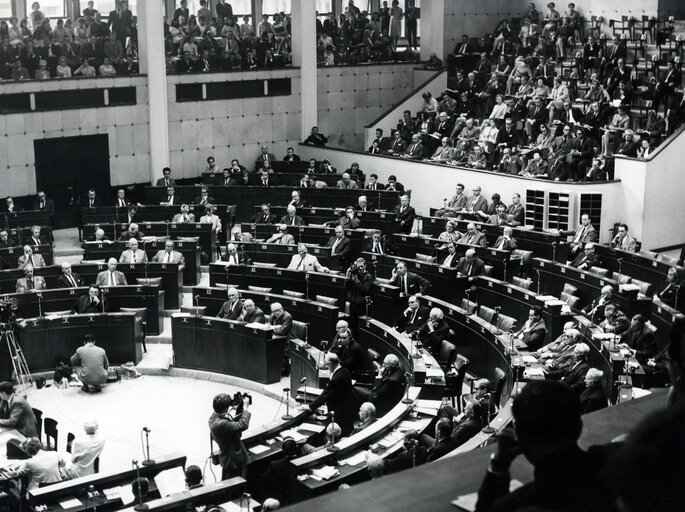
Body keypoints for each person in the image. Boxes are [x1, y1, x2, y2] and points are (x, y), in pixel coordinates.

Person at [475, 380, 608, 512]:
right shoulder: (611, 466)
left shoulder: (516, 505)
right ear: (578, 427)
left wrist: (499, 465)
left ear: (521, 439)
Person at [306, 353, 358, 436]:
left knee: (340, 433)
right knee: (348, 430)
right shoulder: (345, 371)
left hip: (339, 412)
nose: (326, 367)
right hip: (348, 409)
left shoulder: (336, 379)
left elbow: (325, 395)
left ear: (331, 364)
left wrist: (310, 407)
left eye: (326, 365)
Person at [208, 392, 252, 479]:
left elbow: (231, 426)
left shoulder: (213, 418)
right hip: (233, 459)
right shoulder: (222, 423)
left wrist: (239, 409)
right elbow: (243, 425)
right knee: (236, 483)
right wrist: (246, 408)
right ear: (225, 408)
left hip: (226, 457)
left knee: (226, 480)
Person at [345, 258, 374, 326]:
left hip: (361, 305)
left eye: (361, 266)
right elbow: (347, 288)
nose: (360, 268)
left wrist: (357, 281)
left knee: (359, 325)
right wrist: (347, 276)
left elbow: (365, 291)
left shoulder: (368, 277)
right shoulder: (354, 274)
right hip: (353, 303)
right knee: (352, 324)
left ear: (365, 266)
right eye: (358, 266)